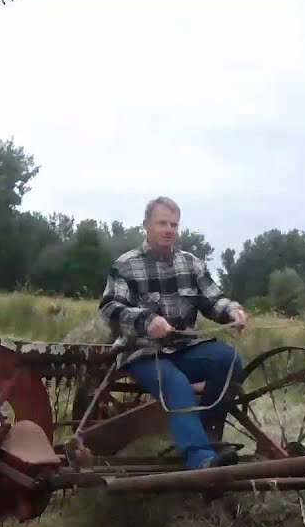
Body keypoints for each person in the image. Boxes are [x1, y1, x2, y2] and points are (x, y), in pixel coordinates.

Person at [97, 196, 248, 470]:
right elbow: (110, 307)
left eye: (174, 224)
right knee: (175, 383)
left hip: (184, 348)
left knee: (229, 361)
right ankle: (200, 462)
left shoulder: (191, 264)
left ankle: (206, 434)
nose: (169, 229)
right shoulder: (125, 265)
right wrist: (146, 320)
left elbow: (214, 300)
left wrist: (232, 311)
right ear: (146, 226)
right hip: (143, 352)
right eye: (162, 223)